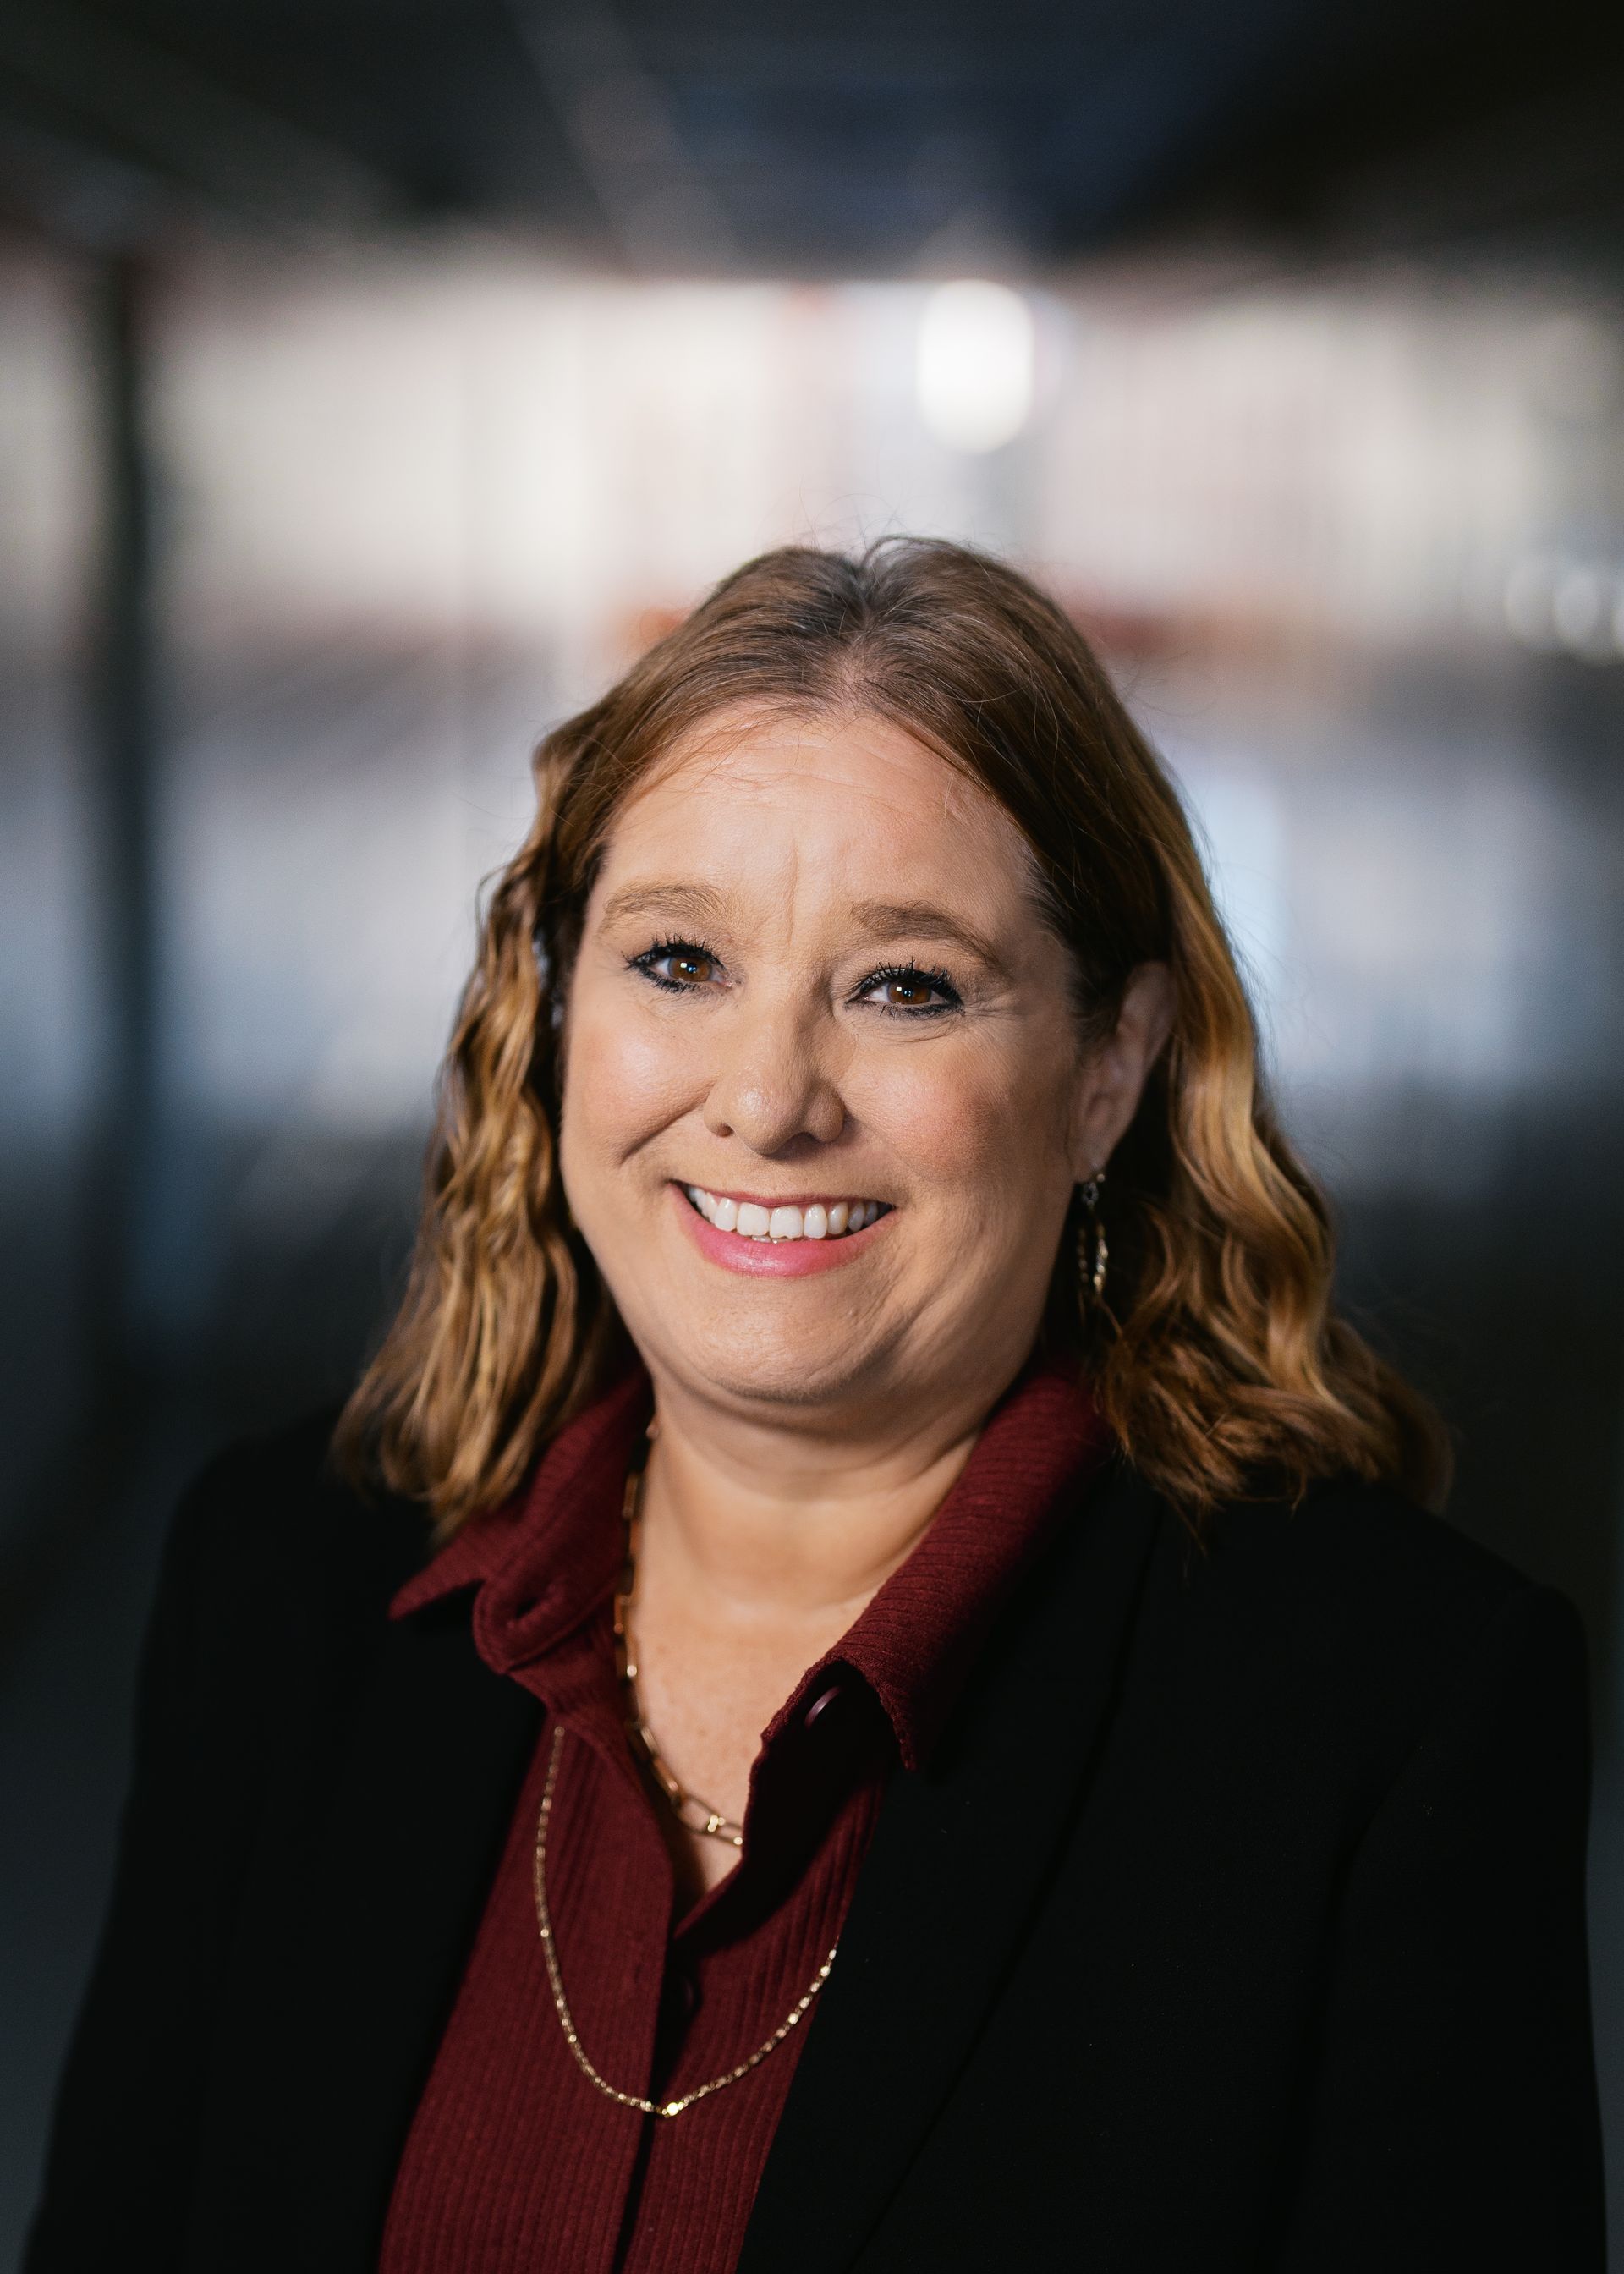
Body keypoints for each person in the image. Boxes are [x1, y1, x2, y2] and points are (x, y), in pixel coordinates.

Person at [28, 539, 1604, 2272]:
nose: (769, 1101)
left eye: (905, 985)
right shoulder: (287, 1587)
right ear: (559, 1014)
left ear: (1109, 1069)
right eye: (680, 962)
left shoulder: (1392, 1727)